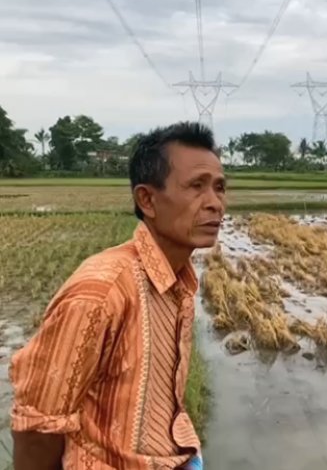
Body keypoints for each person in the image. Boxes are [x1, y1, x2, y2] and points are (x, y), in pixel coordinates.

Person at [9, 122, 226, 470]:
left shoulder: (178, 280)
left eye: (219, 188)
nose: (215, 203)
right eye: (196, 186)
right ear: (147, 199)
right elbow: (38, 426)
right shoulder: (100, 293)